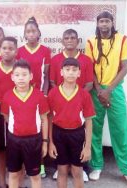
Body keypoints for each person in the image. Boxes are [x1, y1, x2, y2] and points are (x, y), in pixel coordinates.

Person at [85, 11, 127, 187]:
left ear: (112, 23)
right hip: (97, 91)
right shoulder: (91, 42)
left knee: (120, 130)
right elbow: (89, 68)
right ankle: (96, 166)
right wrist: (100, 89)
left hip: (114, 90)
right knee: (94, 130)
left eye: (107, 21)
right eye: (101, 21)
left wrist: (108, 90)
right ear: (97, 23)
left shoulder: (122, 40)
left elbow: (124, 68)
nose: (104, 24)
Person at [49, 29, 94, 181]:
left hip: (77, 128)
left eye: (73, 37)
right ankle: (60, 167)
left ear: (77, 40)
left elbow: (89, 83)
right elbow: (53, 82)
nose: (69, 40)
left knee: (78, 169)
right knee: (62, 168)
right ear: (62, 40)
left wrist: (77, 96)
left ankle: (83, 169)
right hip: (59, 130)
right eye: (66, 37)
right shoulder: (55, 60)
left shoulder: (86, 60)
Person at [1, 59, 49, 188]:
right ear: (12, 77)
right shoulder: (7, 96)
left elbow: (44, 119)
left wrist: (45, 142)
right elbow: (6, 116)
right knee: (14, 174)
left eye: (24, 74)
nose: (21, 78)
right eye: (17, 75)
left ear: (31, 76)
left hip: (33, 140)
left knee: (35, 175)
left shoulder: (39, 96)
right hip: (14, 140)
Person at [0, 36, 18, 188]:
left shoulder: (20, 70)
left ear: (16, 51)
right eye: (4, 48)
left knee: (16, 147)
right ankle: (1, 180)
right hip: (0, 113)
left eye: (11, 48)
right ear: (0, 51)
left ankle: (17, 180)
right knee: (0, 148)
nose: (7, 51)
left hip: (18, 113)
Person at [17, 16, 51, 96]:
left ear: (38, 33)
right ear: (24, 35)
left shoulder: (45, 51)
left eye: (34, 31)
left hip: (40, 91)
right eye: (28, 32)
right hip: (23, 92)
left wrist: (45, 94)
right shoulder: (19, 51)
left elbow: (46, 76)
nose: (31, 34)